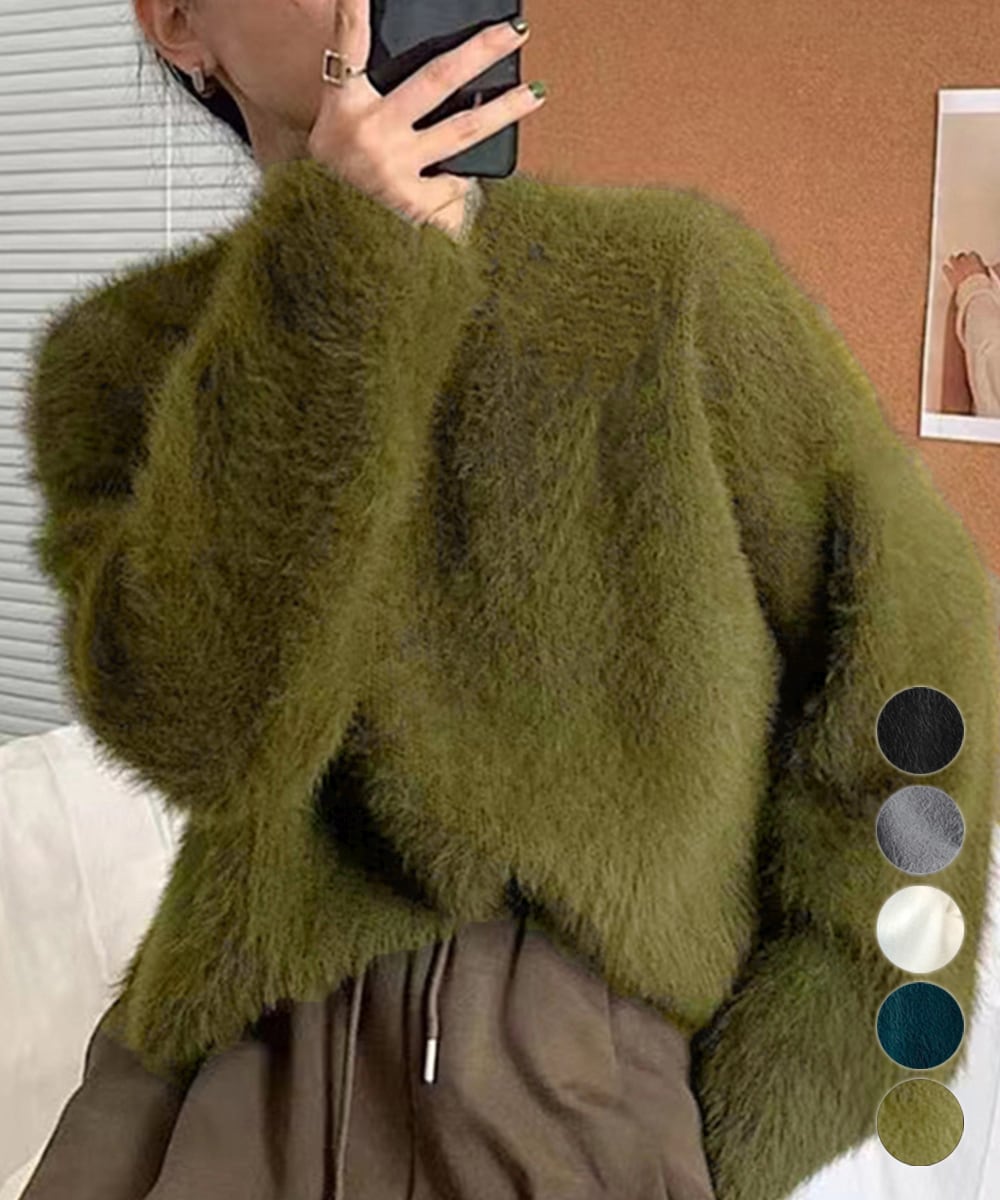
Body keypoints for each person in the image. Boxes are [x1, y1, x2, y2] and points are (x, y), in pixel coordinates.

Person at [15, 2, 1000, 1200]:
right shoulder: (125, 354)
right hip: (206, 1071)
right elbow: (208, 736)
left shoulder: (670, 284)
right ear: (179, 24)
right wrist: (340, 270)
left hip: (566, 1079)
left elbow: (916, 648)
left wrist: (816, 1052)